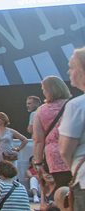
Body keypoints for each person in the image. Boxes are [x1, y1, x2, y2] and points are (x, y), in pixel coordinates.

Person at [31, 75, 73, 204]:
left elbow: (38, 140)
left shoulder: (41, 111)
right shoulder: (74, 105)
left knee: (59, 195)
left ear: (49, 90)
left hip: (54, 159)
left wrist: (37, 163)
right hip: (74, 155)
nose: (43, 92)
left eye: (44, 89)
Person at [59, 48, 85, 209]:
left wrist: (74, 168)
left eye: (72, 67)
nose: (69, 72)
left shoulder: (77, 105)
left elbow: (65, 150)